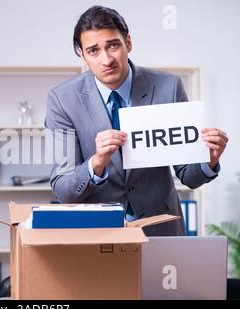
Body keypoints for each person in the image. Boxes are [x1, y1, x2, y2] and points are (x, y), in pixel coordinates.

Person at [44, 5, 228, 236]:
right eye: (93, 51)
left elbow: (188, 176)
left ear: (128, 42)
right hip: (97, 235)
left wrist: (208, 160)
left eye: (113, 45)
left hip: (160, 229)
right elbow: (63, 190)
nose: (106, 59)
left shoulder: (168, 87)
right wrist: (97, 162)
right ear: (81, 54)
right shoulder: (63, 99)